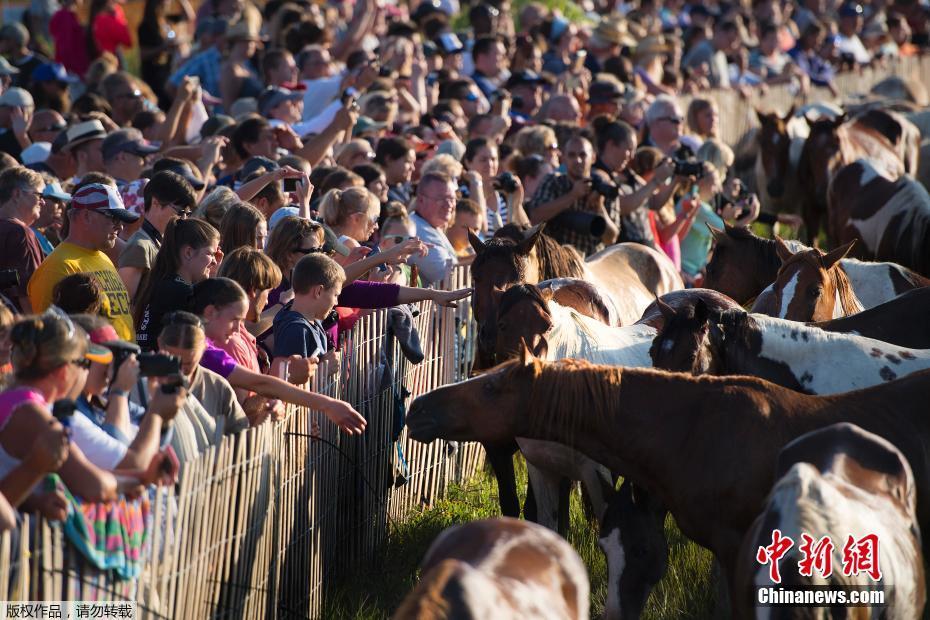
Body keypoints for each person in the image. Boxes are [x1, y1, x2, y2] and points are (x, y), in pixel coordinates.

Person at [190, 277, 367, 435]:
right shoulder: (203, 351)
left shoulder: (209, 347)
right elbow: (260, 384)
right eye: (234, 320)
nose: (238, 329)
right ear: (210, 312)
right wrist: (327, 404)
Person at [28, 183, 138, 340]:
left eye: (121, 220)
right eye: (114, 218)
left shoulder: (103, 257)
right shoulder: (57, 267)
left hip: (122, 360)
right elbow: (49, 337)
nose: (119, 227)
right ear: (86, 216)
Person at [157, 311, 263, 430]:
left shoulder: (219, 387)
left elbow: (242, 433)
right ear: (160, 344)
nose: (180, 371)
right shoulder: (141, 385)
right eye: (173, 361)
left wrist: (264, 416)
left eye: (188, 364)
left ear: (204, 348)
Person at [134, 217, 220, 352]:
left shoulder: (162, 282)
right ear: (188, 252)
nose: (215, 261)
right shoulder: (182, 292)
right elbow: (213, 335)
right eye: (211, 253)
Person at [526, 135, 620, 257]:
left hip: (591, 264)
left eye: (583, 155)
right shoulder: (553, 181)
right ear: (563, 158)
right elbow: (535, 217)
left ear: (593, 157)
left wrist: (600, 208)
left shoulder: (604, 189)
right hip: (557, 260)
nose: (578, 160)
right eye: (571, 155)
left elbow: (611, 238)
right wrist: (572, 196)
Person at [118, 171, 198, 302]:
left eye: (187, 214)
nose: (183, 219)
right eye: (180, 212)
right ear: (155, 202)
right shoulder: (139, 246)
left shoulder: (159, 243)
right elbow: (124, 304)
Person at [0, 167, 47, 312]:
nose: (43, 202)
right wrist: (37, 328)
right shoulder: (19, 233)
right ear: (17, 194)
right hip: (18, 326)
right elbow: (26, 291)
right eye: (39, 195)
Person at [463, 137, 528, 236]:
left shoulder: (503, 195)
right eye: (483, 160)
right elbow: (481, 230)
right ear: (468, 162)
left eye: (493, 159)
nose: (490, 164)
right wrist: (476, 184)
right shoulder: (463, 194)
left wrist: (516, 203)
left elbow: (527, 232)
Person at [408, 172, 458, 285]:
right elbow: (448, 279)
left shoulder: (430, 224)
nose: (449, 204)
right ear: (421, 200)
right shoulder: (414, 229)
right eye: (441, 199)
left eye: (452, 199)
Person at [49, 0, 90, 78]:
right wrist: (78, 70)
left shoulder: (64, 15)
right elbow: (66, 47)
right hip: (72, 71)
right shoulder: (65, 17)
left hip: (68, 68)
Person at [375, 137, 415, 204]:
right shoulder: (376, 191)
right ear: (389, 159)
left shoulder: (409, 188)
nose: (412, 168)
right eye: (408, 161)